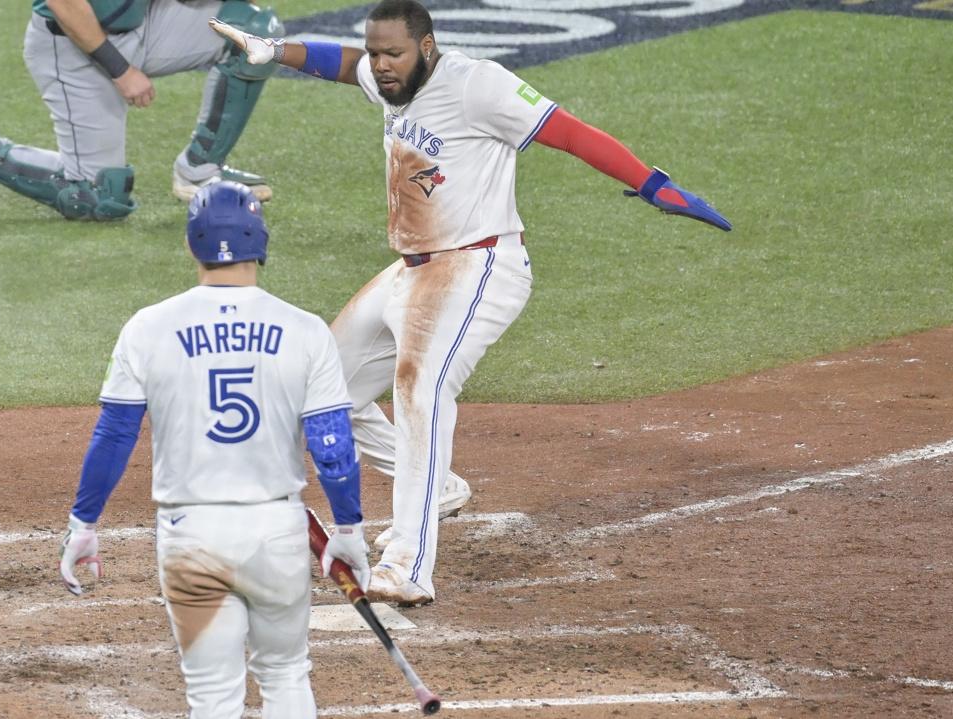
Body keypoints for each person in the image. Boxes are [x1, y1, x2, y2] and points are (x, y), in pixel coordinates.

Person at [210, 0, 731, 606]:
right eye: (376, 53)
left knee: (420, 388)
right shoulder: (388, 79)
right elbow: (341, 62)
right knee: (321, 388)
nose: (380, 66)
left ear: (426, 47)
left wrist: (651, 183)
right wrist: (274, 51)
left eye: (393, 54)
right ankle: (441, 486)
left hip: (479, 264)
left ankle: (408, 563)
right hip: (411, 269)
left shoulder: (477, 85)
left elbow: (568, 131)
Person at [56, 181, 371, 718]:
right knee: (286, 675)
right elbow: (331, 445)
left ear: (191, 245)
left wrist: (84, 524)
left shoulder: (147, 328)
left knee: (212, 696)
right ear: (260, 242)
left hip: (190, 537)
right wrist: (349, 531)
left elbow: (114, 435)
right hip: (276, 533)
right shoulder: (305, 330)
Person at [0, 0, 280, 222]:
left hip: (145, 24)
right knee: (96, 198)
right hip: (72, 47)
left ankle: (199, 170)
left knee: (253, 36)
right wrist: (121, 71)